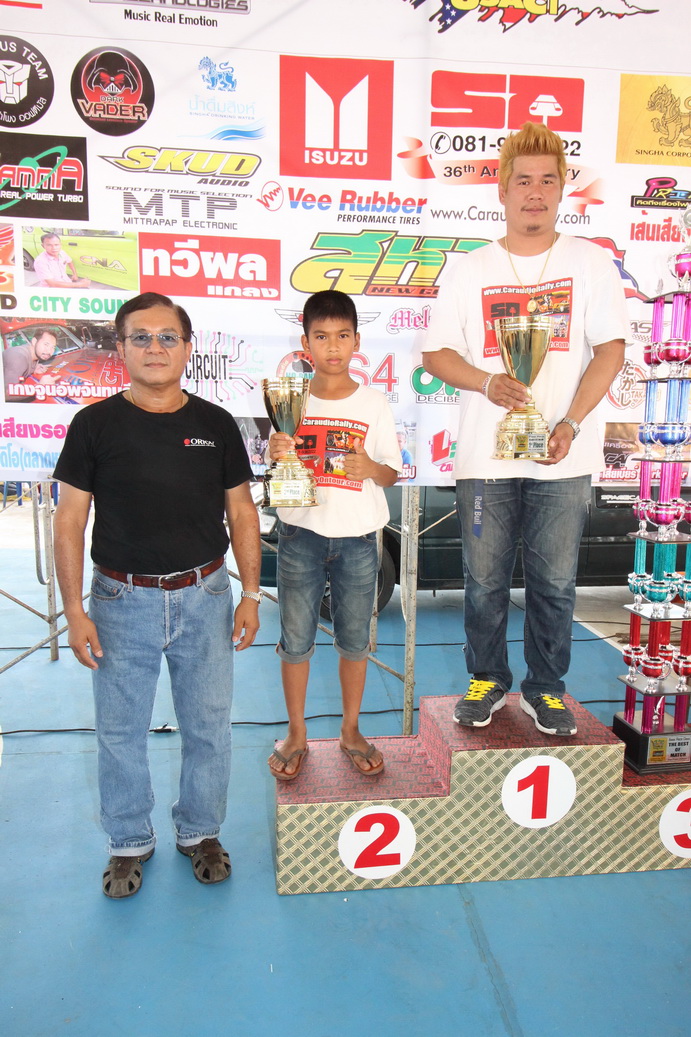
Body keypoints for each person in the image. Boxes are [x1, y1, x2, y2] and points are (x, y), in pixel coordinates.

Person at [423, 122, 630, 737]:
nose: (534, 193)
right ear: (502, 191)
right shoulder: (471, 269)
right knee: (483, 581)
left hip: (562, 458)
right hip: (485, 459)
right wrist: (487, 382)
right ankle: (486, 679)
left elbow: (611, 351)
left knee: (554, 583)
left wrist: (570, 422)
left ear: (562, 188)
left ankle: (547, 688)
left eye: (546, 180)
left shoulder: (590, 263)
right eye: (522, 181)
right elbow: (435, 353)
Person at [53, 291, 261, 898]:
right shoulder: (93, 425)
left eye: (168, 336)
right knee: (120, 732)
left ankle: (201, 831)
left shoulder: (217, 424)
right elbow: (69, 520)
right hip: (120, 602)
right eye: (140, 337)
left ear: (188, 348)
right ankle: (127, 841)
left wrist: (251, 594)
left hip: (206, 596)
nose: (155, 347)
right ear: (120, 349)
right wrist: (74, 609)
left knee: (208, 728)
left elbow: (242, 513)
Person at [267, 290, 402, 780]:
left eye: (342, 336)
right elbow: (278, 465)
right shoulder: (291, 400)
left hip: (359, 541)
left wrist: (371, 468)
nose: (332, 346)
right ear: (305, 344)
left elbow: (392, 473)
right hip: (299, 535)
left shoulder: (374, 402)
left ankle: (350, 729)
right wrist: (275, 451)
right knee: (295, 641)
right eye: (321, 337)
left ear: (357, 342)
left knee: (355, 642)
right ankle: (296, 733)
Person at [2, 327, 61, 397]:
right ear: (34, 341)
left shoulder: (34, 356)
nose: (49, 351)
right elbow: (5, 394)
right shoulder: (18, 357)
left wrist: (33, 368)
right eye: (46, 344)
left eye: (53, 347)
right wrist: (40, 387)